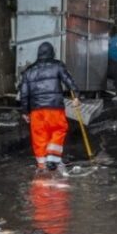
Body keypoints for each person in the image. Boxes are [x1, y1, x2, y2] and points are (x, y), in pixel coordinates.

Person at [19, 42, 80, 171]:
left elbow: (24, 93)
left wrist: (25, 111)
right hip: (54, 107)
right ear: (52, 53)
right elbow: (69, 81)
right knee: (58, 129)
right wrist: (76, 96)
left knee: (39, 136)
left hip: (36, 111)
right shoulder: (57, 65)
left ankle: (42, 165)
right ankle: (52, 159)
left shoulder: (28, 71)